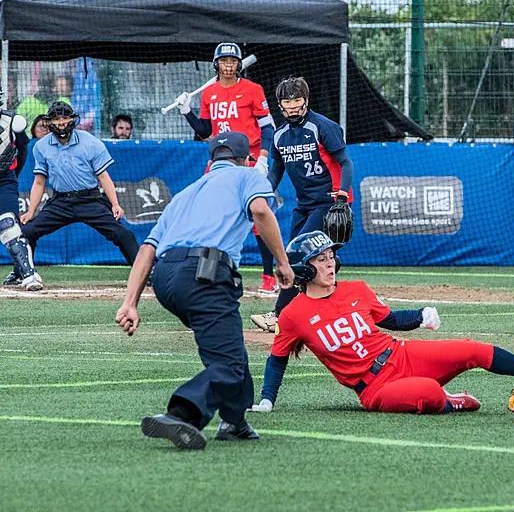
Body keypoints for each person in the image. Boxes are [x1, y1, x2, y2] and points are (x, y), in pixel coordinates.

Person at [250, 230, 514, 415]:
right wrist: (266, 400)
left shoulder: (355, 288)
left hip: (402, 353)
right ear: (304, 269)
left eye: (331, 255)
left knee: (474, 350)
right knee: (428, 393)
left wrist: (419, 316)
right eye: (321, 259)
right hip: (375, 388)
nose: (330, 262)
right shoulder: (294, 313)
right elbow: (277, 360)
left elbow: (390, 320)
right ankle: (451, 402)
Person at [115, 131, 294, 450]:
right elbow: (262, 212)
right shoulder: (248, 176)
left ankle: (235, 421)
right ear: (244, 159)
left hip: (165, 279)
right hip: (205, 275)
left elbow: (146, 250)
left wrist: (130, 303)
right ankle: (183, 413)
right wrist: (281, 263)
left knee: (230, 344)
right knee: (226, 366)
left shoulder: (186, 193)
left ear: (211, 161)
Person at [250, 77, 354, 333]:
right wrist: (259, 194)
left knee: (297, 257)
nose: (293, 106)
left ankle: (279, 315)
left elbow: (346, 163)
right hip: (304, 204)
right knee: (306, 259)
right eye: (288, 101)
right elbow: (275, 172)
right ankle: (329, 310)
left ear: (306, 101)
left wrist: (341, 198)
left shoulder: (322, 126)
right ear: (280, 105)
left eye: (297, 100)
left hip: (328, 203)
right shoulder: (280, 135)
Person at [175, 42, 278, 295]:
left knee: (257, 215)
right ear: (216, 64)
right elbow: (205, 132)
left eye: (233, 61)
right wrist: (186, 111)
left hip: (248, 159)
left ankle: (268, 276)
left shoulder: (253, 90)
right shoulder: (209, 93)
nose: (229, 65)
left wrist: (263, 158)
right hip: (219, 161)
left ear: (239, 64)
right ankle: (206, 270)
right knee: (207, 212)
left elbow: (268, 127)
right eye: (224, 61)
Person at [14, 102, 139, 283]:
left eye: (65, 118)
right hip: (60, 202)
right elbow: (39, 182)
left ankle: (144, 274)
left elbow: (103, 177)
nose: (61, 122)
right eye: (56, 119)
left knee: (124, 234)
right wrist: (31, 212)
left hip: (90, 200)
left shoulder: (89, 141)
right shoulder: (41, 146)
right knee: (28, 231)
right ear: (50, 122)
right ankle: (22, 274)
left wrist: (115, 204)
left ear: (72, 119)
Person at [0, 102, 42, 290]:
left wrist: (13, 176)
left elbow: (23, 149)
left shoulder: (12, 121)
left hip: (4, 178)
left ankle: (28, 275)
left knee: (8, 224)